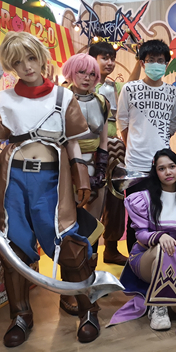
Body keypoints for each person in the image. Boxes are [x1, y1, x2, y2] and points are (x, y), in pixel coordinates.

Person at [0, 32, 100, 346]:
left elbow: (73, 144)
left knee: (69, 246)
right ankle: (20, 316)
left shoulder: (63, 97)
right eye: (17, 62)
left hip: (52, 182)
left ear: (41, 57)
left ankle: (88, 310)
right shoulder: (3, 100)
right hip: (12, 181)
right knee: (13, 249)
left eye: (30, 58)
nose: (26, 67)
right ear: (10, 66)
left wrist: (82, 179)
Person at [109, 149, 176, 330]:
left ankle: (162, 299)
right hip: (144, 258)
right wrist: (160, 236)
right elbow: (140, 235)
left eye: (172, 166)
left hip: (174, 258)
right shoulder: (143, 199)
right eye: (162, 168)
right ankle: (158, 307)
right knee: (167, 247)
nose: (168, 172)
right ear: (156, 172)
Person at [56, 53, 109, 315]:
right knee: (69, 231)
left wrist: (101, 169)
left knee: (93, 230)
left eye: (91, 74)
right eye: (81, 72)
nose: (87, 78)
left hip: (95, 169)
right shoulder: (59, 99)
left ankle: (88, 285)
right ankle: (69, 290)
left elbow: (104, 138)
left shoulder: (101, 101)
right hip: (67, 170)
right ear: (71, 72)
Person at [117, 39, 176, 252]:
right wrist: (134, 145)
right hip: (135, 164)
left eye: (160, 60)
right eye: (151, 60)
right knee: (136, 218)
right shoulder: (130, 88)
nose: (156, 64)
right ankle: (135, 262)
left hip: (163, 166)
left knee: (161, 215)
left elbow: (172, 125)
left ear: (166, 64)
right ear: (143, 63)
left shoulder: (173, 93)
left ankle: (158, 260)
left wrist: (159, 144)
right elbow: (122, 122)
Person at [89, 42, 128, 265]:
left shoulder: (115, 87)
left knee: (116, 199)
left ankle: (111, 249)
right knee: (91, 199)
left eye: (112, 58)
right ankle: (87, 252)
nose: (110, 62)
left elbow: (130, 86)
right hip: (90, 150)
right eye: (104, 57)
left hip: (116, 148)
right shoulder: (80, 86)